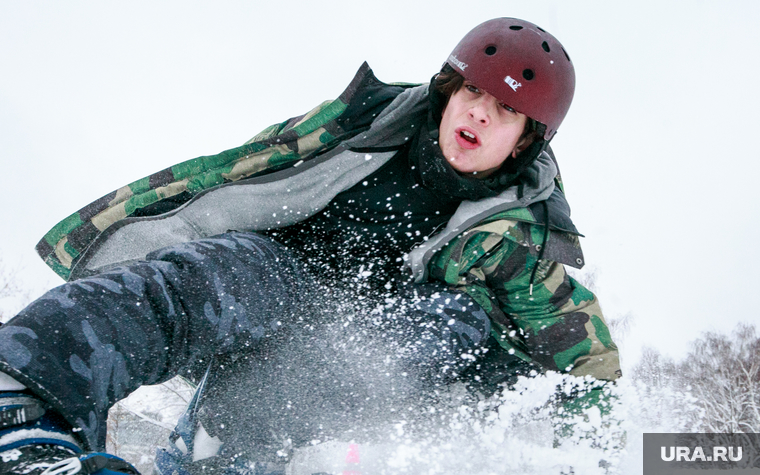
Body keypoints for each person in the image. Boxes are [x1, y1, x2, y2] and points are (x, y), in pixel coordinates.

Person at [0, 18, 621, 475]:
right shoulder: (363, 123)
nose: (480, 115)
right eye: (474, 94)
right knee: (217, 274)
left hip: (365, 348)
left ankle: (216, 460)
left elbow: (582, 347)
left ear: (524, 142)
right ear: (448, 92)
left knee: (451, 325)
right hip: (276, 276)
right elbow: (245, 169)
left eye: (505, 111)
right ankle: (26, 413)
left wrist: (602, 443)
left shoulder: (523, 233)